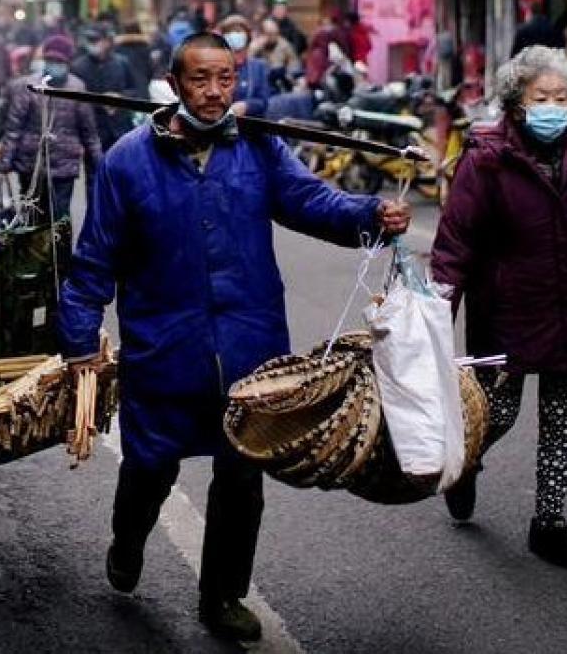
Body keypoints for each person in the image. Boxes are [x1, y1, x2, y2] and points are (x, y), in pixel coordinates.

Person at [58, 32, 412, 644]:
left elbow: (311, 201)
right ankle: (129, 539)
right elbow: (94, 260)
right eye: (200, 79)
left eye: (225, 78)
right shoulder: (125, 161)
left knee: (242, 479)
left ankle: (222, 594)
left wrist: (367, 214)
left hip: (251, 352)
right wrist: (81, 337)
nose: (215, 92)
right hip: (164, 350)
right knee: (149, 465)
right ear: (173, 83)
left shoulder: (259, 150)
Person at [429, 45, 567, 570]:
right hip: (509, 310)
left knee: (563, 419)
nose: (553, 106)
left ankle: (549, 523)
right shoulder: (486, 161)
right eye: (542, 96)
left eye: (562, 97)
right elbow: (455, 243)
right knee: (503, 410)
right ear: (516, 103)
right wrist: (437, 310)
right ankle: (466, 463)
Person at [0, 35, 104, 229]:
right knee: (33, 216)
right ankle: (37, 257)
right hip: (31, 164)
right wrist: (5, 162)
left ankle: (59, 258)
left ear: (68, 62)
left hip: (64, 165)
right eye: (51, 60)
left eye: (60, 61)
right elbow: (14, 126)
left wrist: (99, 163)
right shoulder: (29, 87)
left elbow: (89, 132)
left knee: (59, 218)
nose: (55, 64)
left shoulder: (77, 88)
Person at [71, 23, 147, 150]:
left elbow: (135, 91)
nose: (92, 44)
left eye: (96, 40)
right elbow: (74, 100)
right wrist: (101, 102)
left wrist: (119, 97)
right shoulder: (78, 67)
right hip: (93, 131)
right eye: (90, 40)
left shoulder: (121, 63)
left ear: (108, 41)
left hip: (120, 129)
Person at [216, 15, 273, 118]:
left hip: (250, 128)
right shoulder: (216, 67)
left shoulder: (258, 67)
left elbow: (264, 101)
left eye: (239, 32)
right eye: (230, 32)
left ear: (247, 38)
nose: (235, 35)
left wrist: (246, 106)